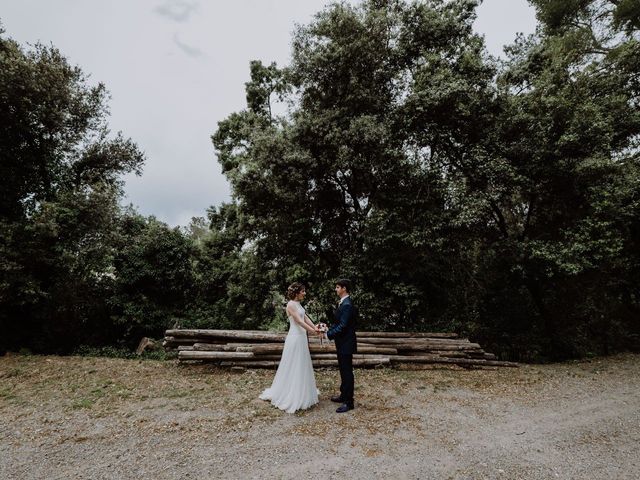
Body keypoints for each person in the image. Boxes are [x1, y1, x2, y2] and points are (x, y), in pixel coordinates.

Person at [259, 282, 321, 413]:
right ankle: (291, 393)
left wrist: (315, 327)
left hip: (302, 338)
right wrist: (312, 331)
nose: (305, 293)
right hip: (295, 337)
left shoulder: (299, 304)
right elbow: (299, 321)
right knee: (293, 364)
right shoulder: (290, 305)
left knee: (302, 364)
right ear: (297, 292)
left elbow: (305, 318)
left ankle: (303, 391)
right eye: (303, 291)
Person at [323, 278, 358, 413]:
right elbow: (339, 323)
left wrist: (328, 335)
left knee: (347, 372)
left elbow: (343, 326)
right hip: (342, 342)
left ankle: (349, 402)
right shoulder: (343, 303)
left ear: (344, 288)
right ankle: (343, 395)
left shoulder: (347, 305)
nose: (336, 289)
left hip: (346, 343)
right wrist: (328, 329)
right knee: (344, 370)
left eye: (337, 287)